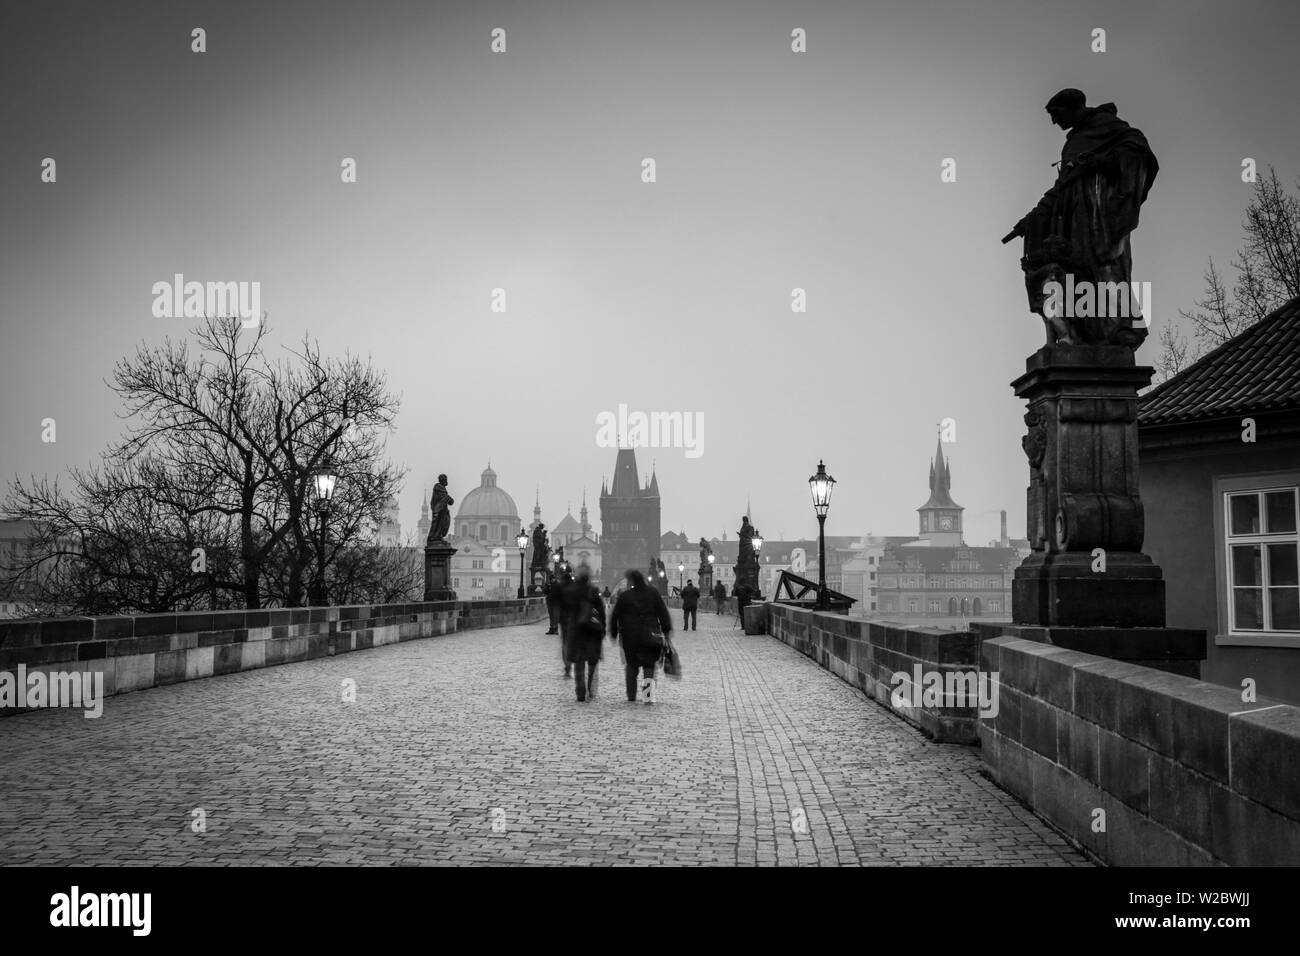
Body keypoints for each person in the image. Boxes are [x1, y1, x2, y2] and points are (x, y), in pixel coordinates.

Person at [608, 569, 673, 705]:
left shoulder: (625, 596)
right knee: (649, 666)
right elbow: (663, 613)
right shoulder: (653, 593)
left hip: (630, 637)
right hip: (650, 636)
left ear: (631, 581)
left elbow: (615, 616)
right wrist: (666, 630)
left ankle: (631, 695)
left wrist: (614, 632)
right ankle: (647, 696)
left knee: (631, 665)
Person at [562, 567, 604, 702]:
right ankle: (590, 687)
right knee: (592, 660)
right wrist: (603, 627)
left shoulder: (570, 591)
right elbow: (601, 611)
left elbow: (564, 611)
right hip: (592, 629)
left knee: (579, 661)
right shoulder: (593, 590)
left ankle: (580, 690)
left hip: (576, 629)